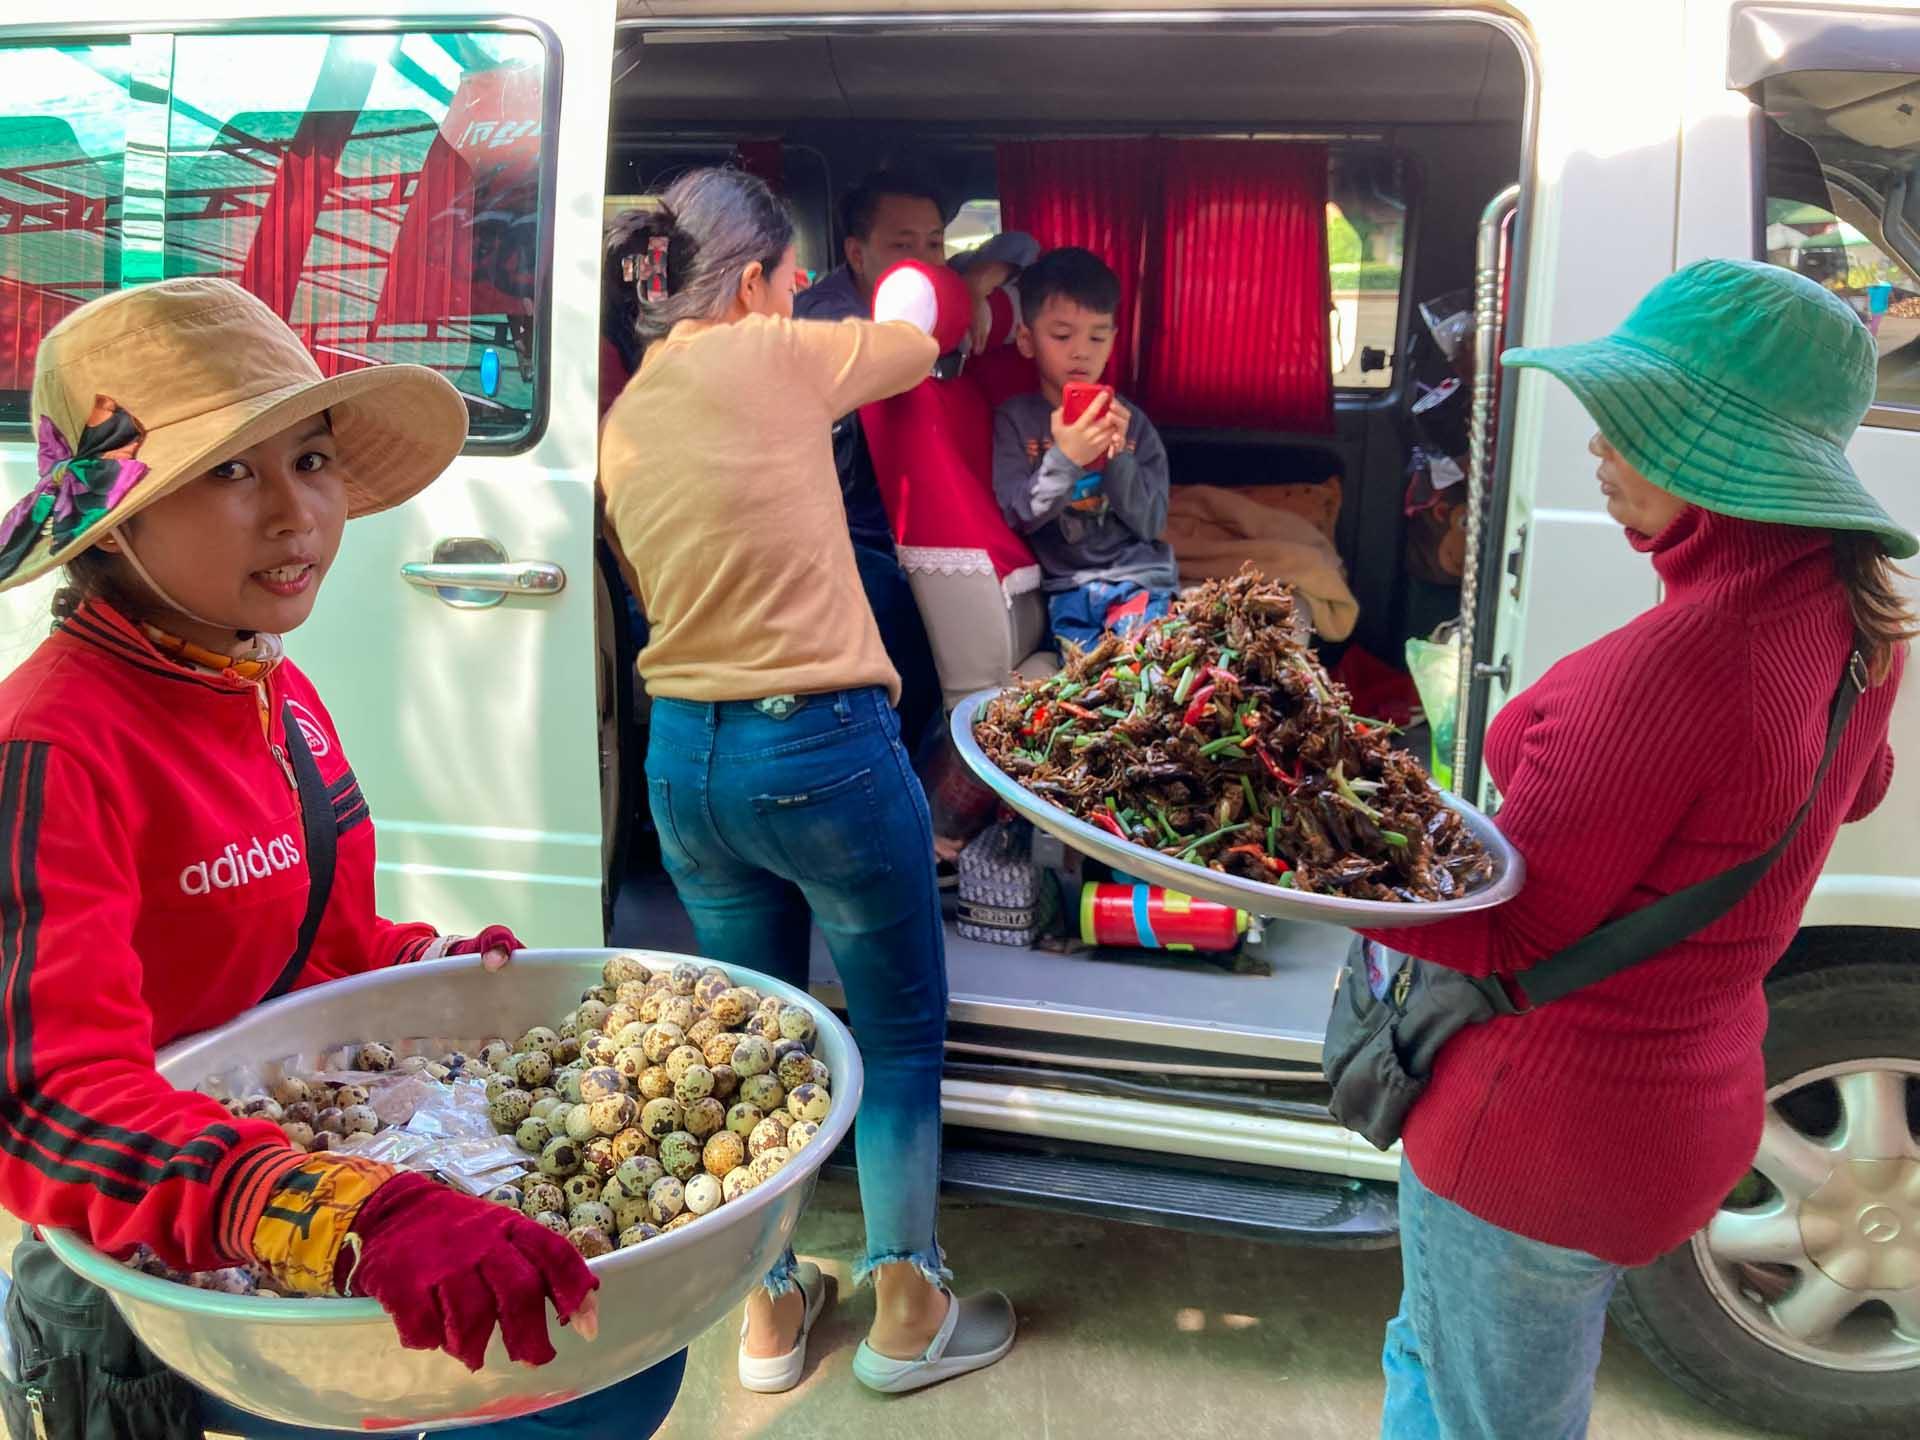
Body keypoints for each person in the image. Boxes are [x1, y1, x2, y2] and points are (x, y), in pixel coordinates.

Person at [0, 277, 684, 1439]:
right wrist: (343, 1217)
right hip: (182, 1256)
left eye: (309, 460)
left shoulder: (272, 687)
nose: (295, 513)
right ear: (115, 516)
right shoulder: (52, 745)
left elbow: (316, 941)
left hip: (322, 1147)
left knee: (622, 1360)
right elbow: (50, 1102)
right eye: (229, 471)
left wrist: (430, 966)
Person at [1367, 259, 1914, 1439]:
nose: (1598, 453)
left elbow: (1504, 927)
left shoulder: (1672, 672)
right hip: (1690, 1104)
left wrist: (1298, 858)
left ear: (1725, 461)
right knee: (1439, 1355)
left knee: (1487, 1416)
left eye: (1630, 428)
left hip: (1539, 1139)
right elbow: (1854, 787)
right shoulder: (1861, 619)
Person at [597, 167, 1017, 1397]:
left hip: (686, 761)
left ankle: (769, 1313)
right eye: (788, 282)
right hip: (818, 751)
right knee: (893, 1030)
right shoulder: (776, 355)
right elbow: (915, 334)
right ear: (751, 284)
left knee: (761, 1035)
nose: (794, 301)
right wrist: (909, 283)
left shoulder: (624, 419)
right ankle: (908, 1306)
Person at [797, 170, 1037, 770]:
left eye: (935, 242)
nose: (926, 259)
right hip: (849, 533)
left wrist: (975, 278)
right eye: (904, 245)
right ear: (857, 253)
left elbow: (1023, 245)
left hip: (905, 520)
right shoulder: (829, 326)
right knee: (905, 623)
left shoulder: (937, 296)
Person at [991, 246, 1177, 652]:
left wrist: (1118, 458)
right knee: (1090, 684)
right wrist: (1066, 458)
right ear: (1027, 339)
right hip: (1067, 589)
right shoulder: (1016, 420)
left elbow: (1151, 523)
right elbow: (1017, 514)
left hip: (1139, 580)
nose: (1081, 350)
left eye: (1097, 336)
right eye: (1061, 335)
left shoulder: (1132, 424)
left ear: (1112, 341)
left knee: (1146, 671)